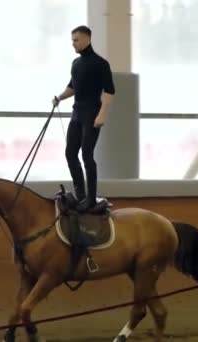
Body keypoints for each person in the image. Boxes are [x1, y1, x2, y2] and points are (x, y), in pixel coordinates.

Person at [52, 25, 115, 212]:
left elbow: (110, 91)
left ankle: (91, 198)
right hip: (77, 113)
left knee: (87, 155)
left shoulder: (101, 64)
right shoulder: (75, 64)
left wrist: (102, 114)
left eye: (76, 40)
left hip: (92, 114)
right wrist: (59, 98)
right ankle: (80, 195)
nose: (73, 44)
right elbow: (72, 87)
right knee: (70, 153)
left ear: (87, 38)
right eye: (72, 40)